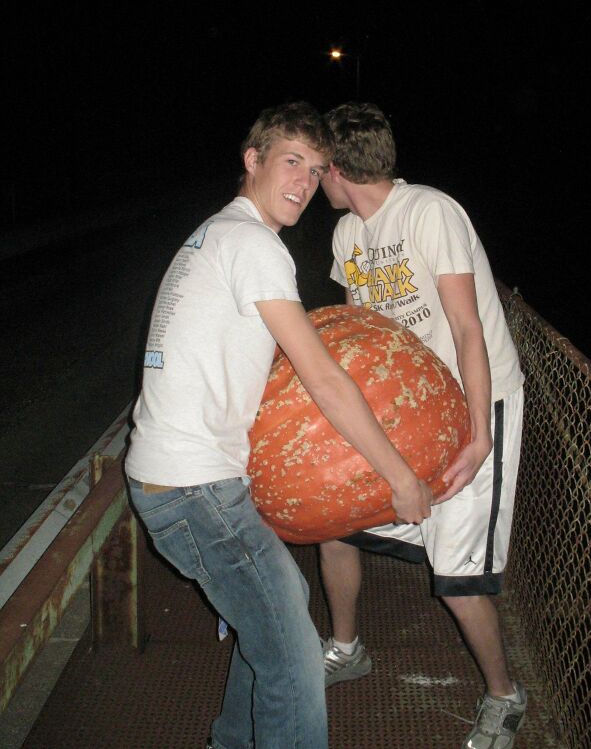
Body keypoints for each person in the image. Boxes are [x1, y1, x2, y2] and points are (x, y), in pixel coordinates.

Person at [125, 101, 432, 749]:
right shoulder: (254, 245)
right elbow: (321, 376)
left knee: (281, 603)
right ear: (253, 160)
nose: (304, 180)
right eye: (291, 161)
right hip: (193, 487)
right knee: (295, 659)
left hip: (179, 477)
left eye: (317, 169)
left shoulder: (220, 233)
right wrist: (398, 474)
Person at [318, 102, 527, 749]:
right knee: (339, 522)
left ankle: (505, 695)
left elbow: (466, 326)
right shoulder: (347, 235)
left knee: (456, 571)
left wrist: (480, 434)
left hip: (472, 397)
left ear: (334, 166)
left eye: (316, 166)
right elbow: (361, 335)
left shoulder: (430, 211)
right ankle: (346, 648)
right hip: (408, 406)